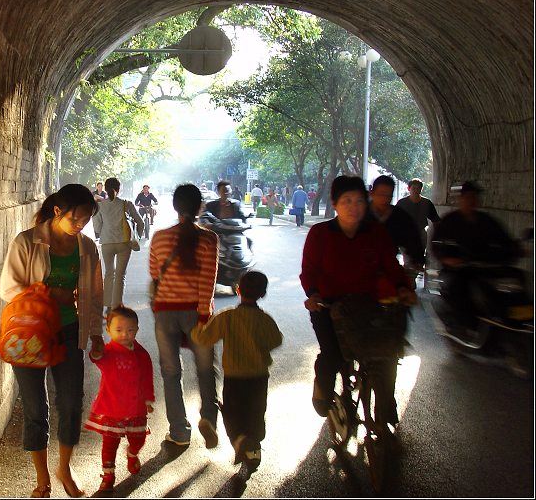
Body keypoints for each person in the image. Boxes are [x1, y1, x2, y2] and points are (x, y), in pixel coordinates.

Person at [0, 183, 105, 498]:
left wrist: (96, 332)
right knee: (35, 407)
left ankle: (64, 469)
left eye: (86, 220)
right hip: (29, 334)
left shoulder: (86, 247)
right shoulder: (27, 241)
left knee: (71, 403)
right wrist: (48, 292)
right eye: (76, 219)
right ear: (58, 211)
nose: (81, 225)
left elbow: (95, 295)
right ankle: (42, 478)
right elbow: (8, 288)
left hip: (69, 331)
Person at [300, 175, 417, 424]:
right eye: (347, 201)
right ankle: (322, 395)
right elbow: (309, 270)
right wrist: (313, 294)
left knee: (387, 352)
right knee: (332, 354)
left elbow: (390, 266)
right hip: (328, 305)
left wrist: (403, 288)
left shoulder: (375, 233)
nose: (354, 207)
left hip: (368, 303)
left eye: (359, 201)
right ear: (335, 203)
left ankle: (386, 404)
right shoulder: (320, 233)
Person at [149, 183, 221, 448]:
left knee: (171, 372)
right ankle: (209, 420)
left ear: (175, 207)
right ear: (199, 206)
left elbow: (155, 274)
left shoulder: (159, 238)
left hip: (166, 313)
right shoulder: (209, 239)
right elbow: (208, 281)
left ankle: (179, 432)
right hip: (197, 313)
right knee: (205, 370)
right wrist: (204, 316)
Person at [190, 271, 283, 472]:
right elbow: (277, 340)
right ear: (263, 293)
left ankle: (240, 439)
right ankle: (254, 448)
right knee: (257, 411)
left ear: (238, 290)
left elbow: (205, 339)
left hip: (235, 376)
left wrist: (197, 328)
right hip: (259, 376)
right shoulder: (265, 319)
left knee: (233, 412)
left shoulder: (227, 317)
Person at [431, 181, 521, 330]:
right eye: (467, 197)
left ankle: (511, 319)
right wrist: (447, 259)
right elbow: (437, 244)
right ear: (460, 199)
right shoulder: (450, 221)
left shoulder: (487, 221)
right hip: (460, 269)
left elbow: (504, 240)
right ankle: (466, 326)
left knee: (515, 277)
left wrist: (516, 249)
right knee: (459, 288)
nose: (471, 201)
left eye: (474, 197)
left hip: (485, 267)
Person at [84, 306, 155, 493]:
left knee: (138, 438)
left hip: (136, 408)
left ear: (137, 330)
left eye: (130, 330)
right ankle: (108, 475)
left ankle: (132, 453)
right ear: (109, 331)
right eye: (118, 330)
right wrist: (96, 351)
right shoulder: (108, 352)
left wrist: (148, 399)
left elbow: (147, 377)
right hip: (112, 408)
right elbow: (96, 358)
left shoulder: (142, 354)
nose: (125, 334)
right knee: (110, 443)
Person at [92, 177, 144, 315]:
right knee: (120, 275)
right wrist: (136, 236)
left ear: (105, 188)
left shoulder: (100, 205)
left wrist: (103, 231)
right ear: (119, 189)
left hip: (107, 243)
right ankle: (116, 306)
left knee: (109, 273)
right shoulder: (127, 204)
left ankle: (108, 306)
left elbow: (97, 227)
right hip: (124, 243)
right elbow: (141, 222)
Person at [367, 175, 425, 279]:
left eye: (388, 196)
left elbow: (412, 239)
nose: (384, 200)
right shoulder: (361, 213)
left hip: (388, 268)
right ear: (372, 193)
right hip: (362, 268)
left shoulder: (399, 216)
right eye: (381, 194)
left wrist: (417, 261)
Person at [395, 178, 441, 269]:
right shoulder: (402, 203)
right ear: (409, 189)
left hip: (420, 234)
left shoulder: (426, 203)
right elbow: (394, 219)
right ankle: (410, 279)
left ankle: (411, 279)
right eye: (414, 188)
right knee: (408, 260)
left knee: (418, 260)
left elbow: (435, 220)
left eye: (418, 188)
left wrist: (438, 236)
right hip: (405, 235)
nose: (416, 191)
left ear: (421, 189)